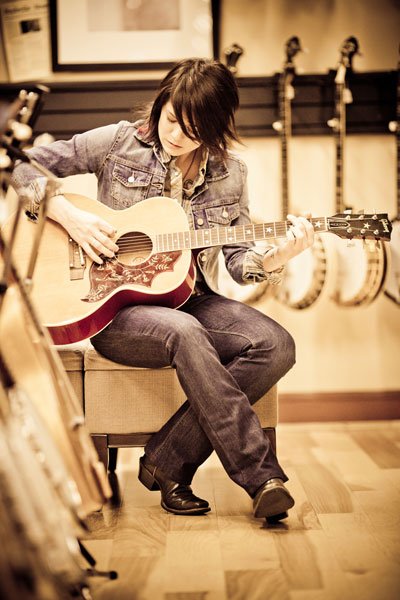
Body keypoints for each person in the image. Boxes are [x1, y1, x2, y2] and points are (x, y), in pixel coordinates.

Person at [12, 58, 314, 521]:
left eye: (193, 131)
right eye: (171, 119)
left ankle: (167, 460)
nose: (175, 135)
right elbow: (21, 166)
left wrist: (276, 258)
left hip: (191, 297)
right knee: (184, 332)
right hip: (115, 308)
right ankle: (261, 478)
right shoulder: (117, 142)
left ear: (214, 130)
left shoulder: (231, 174)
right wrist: (69, 215)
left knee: (276, 344)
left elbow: (238, 263)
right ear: (161, 105)